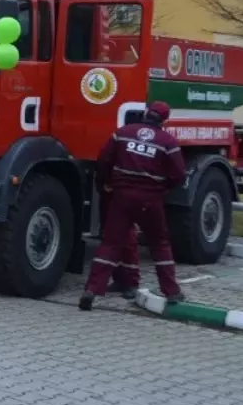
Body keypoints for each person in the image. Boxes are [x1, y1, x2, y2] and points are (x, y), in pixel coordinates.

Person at [80, 101, 187, 310]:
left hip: (122, 197)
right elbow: (179, 174)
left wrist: (105, 183)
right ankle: (172, 292)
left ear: (146, 113)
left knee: (111, 243)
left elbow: (103, 161)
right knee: (160, 245)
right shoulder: (168, 141)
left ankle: (91, 290)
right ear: (165, 120)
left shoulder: (123, 133)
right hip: (151, 199)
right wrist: (162, 187)